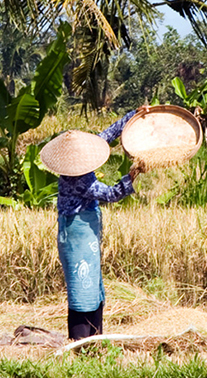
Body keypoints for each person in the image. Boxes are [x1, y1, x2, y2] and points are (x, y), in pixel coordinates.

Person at [40, 108, 146, 341]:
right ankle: (81, 341)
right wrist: (134, 173)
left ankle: (95, 339)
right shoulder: (79, 179)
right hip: (76, 234)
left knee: (92, 286)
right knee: (81, 287)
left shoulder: (76, 165)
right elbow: (111, 194)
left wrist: (134, 114)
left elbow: (108, 135)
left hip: (85, 235)